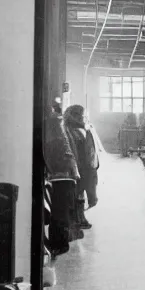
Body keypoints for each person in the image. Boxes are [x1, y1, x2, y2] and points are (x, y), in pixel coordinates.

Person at [44, 98, 81, 253]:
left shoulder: (53, 123)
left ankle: (59, 244)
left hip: (60, 174)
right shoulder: (56, 123)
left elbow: (60, 148)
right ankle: (60, 243)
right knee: (62, 210)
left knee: (60, 211)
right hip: (63, 173)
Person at [63, 105, 98, 232]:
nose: (84, 118)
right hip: (78, 168)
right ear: (75, 116)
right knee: (78, 194)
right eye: (82, 116)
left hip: (84, 167)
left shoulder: (80, 130)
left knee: (81, 194)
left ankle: (80, 218)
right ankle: (78, 219)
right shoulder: (71, 131)